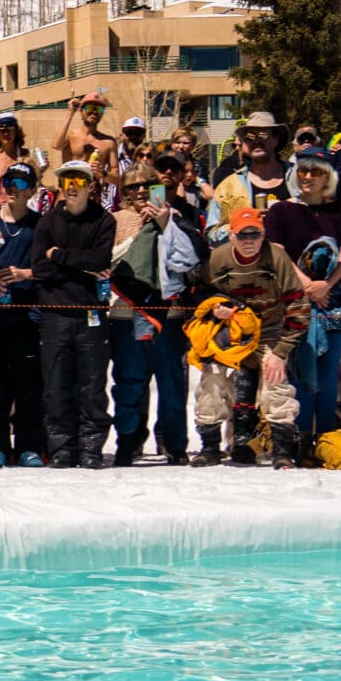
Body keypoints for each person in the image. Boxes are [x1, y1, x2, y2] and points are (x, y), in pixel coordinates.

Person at [186, 207, 309, 468]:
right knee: (212, 381)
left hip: (270, 331)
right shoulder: (217, 260)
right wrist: (216, 307)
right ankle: (209, 447)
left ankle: (282, 451)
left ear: (263, 234)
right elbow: (198, 296)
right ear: (231, 236)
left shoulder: (276, 257)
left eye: (255, 233)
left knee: (276, 387)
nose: (249, 240)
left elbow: (298, 306)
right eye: (243, 235)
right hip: (230, 332)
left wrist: (281, 351)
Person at [105, 161, 204, 465]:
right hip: (124, 312)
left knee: (171, 381)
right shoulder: (114, 220)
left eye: (146, 185)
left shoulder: (175, 216)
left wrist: (165, 226)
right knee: (129, 382)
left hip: (168, 313)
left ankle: (174, 444)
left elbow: (189, 260)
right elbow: (106, 262)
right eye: (132, 186)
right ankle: (128, 441)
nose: (139, 192)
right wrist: (136, 239)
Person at [264, 148, 341, 448]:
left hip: (333, 300)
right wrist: (307, 284)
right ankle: (302, 435)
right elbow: (277, 251)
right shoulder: (281, 210)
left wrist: (327, 285)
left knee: (330, 370)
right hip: (295, 301)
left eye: (316, 171)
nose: (308, 176)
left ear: (328, 177)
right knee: (301, 367)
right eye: (303, 170)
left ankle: (327, 435)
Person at [31, 160, 114, 468]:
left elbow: (102, 258)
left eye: (79, 179)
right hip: (56, 313)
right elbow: (40, 268)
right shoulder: (47, 222)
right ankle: (62, 447)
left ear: (90, 184)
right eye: (67, 179)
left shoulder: (104, 221)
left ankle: (91, 446)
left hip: (91, 313)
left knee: (92, 384)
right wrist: (83, 268)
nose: (73, 185)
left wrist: (60, 256)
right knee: (56, 383)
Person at [0, 161, 47, 468]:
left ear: (31, 189)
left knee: (28, 385)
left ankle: (29, 445)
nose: (13, 189)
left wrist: (24, 274)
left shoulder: (40, 225)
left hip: (27, 317)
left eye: (20, 183)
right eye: (8, 183)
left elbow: (50, 268)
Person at [210, 113, 292, 239]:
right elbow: (212, 234)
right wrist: (242, 224)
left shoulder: (299, 177)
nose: (257, 141)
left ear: (276, 139)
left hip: (291, 257)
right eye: (250, 136)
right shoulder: (228, 187)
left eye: (263, 135)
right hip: (248, 257)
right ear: (243, 144)